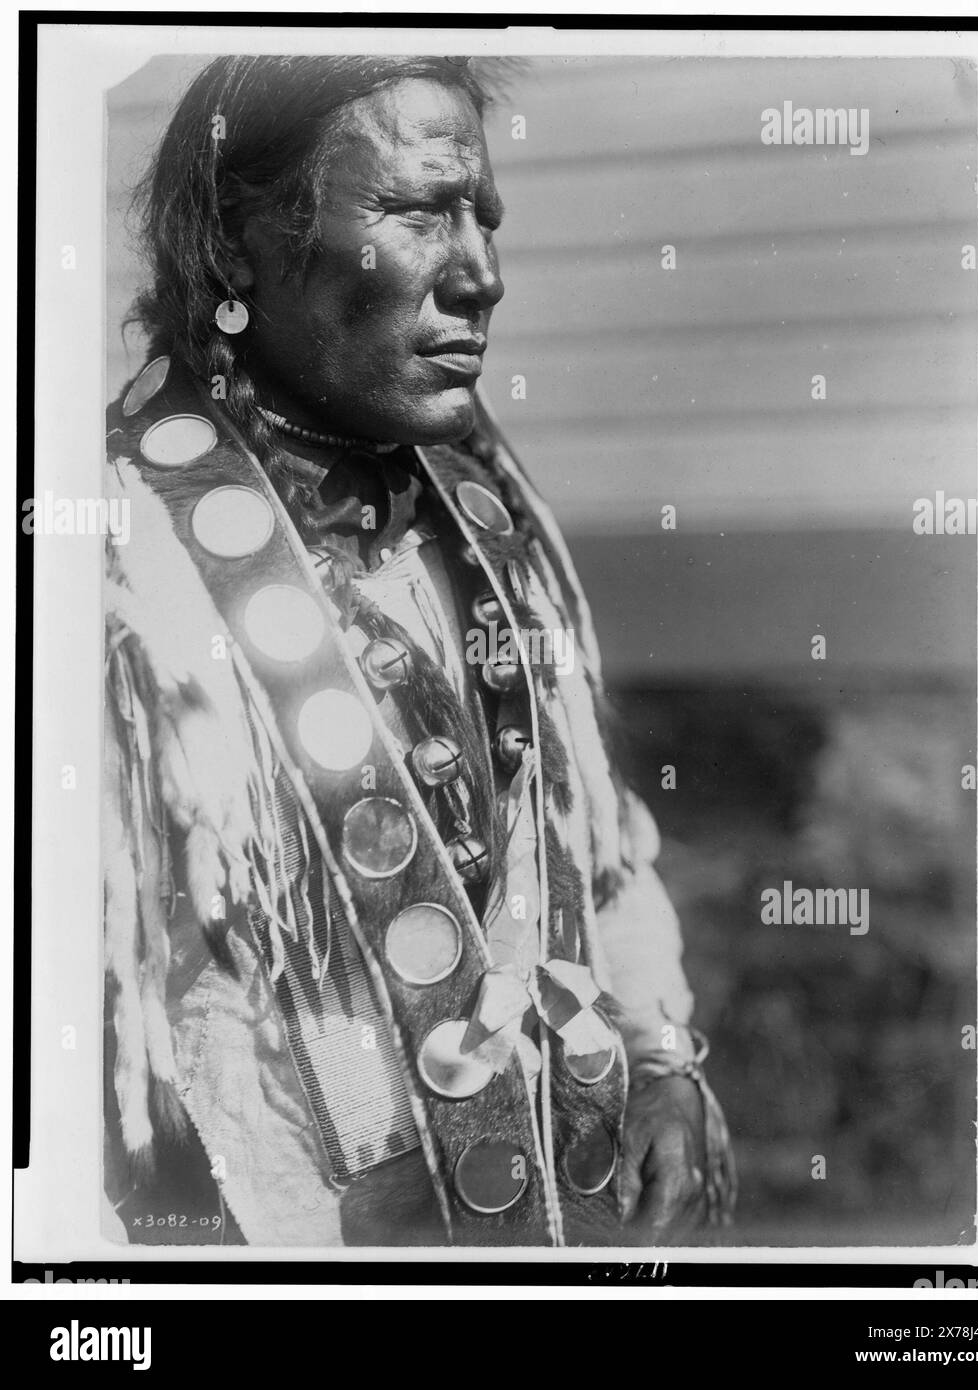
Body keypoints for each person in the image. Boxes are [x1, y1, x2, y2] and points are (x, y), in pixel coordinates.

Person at [103, 54, 735, 1248]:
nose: (480, 276)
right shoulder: (117, 568)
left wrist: (659, 1057)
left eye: (482, 216)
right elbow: (115, 1028)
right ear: (236, 245)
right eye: (413, 211)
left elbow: (592, 850)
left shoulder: (487, 513)